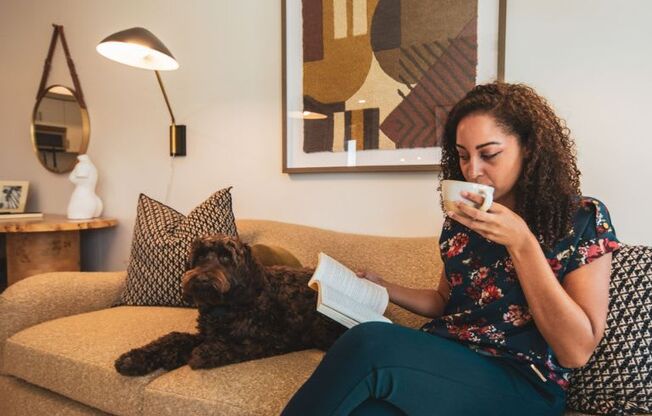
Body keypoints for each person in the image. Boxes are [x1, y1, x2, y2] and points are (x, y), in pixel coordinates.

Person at [281, 82, 621, 416]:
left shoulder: (580, 218)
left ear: (528, 148)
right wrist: (383, 287)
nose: (472, 170)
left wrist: (523, 243)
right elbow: (445, 301)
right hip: (449, 360)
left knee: (370, 342)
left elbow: (575, 352)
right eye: (462, 156)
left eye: (489, 154)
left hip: (524, 382)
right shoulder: (464, 219)